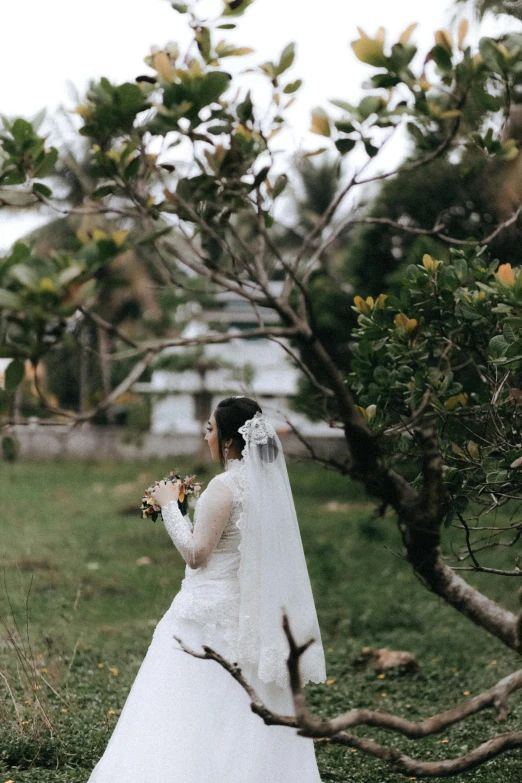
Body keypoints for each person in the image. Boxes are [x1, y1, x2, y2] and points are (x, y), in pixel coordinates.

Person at [87, 396, 326, 783]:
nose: (205, 435)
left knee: (185, 711)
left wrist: (168, 505)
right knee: (240, 712)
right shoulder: (264, 487)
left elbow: (197, 554)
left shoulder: (226, 485)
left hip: (206, 616)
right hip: (249, 618)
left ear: (230, 441)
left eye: (211, 429)